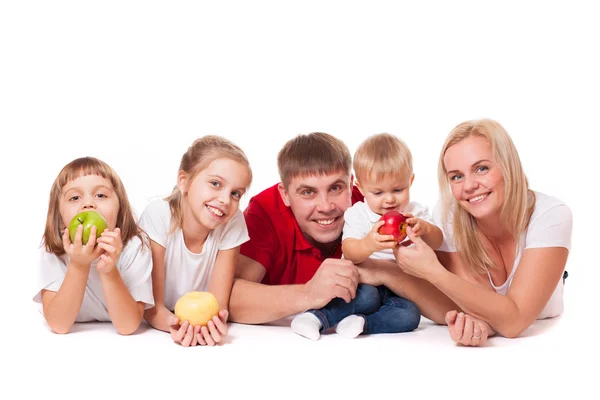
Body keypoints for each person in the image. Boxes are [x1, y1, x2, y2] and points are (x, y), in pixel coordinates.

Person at [372, 119, 573, 346]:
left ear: (509, 165)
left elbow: (514, 321)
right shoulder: (450, 215)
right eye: (456, 176)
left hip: (540, 313)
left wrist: (432, 271)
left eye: (481, 168)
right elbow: (459, 304)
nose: (468, 186)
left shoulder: (551, 215)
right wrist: (383, 271)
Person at [291, 133, 443, 340]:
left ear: (411, 181)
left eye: (398, 189)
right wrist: (369, 243)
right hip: (365, 283)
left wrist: (424, 229)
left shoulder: (416, 212)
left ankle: (362, 324)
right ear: (360, 188)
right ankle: (316, 318)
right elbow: (350, 251)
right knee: (367, 298)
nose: (389, 199)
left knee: (410, 314)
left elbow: (438, 241)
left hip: (402, 289)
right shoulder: (359, 213)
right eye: (378, 193)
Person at [228, 132, 364, 325]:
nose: (325, 207)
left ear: (351, 185)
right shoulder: (265, 212)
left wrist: (383, 272)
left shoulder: (368, 204)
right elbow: (228, 297)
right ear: (284, 194)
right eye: (308, 192)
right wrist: (309, 294)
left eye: (335, 188)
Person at [139, 135, 252, 347]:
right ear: (184, 181)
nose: (225, 200)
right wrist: (174, 324)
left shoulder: (233, 221)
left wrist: (212, 325)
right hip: (165, 315)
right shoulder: (159, 215)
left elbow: (218, 303)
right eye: (215, 184)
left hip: (194, 316)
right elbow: (152, 307)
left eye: (236, 193)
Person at [34, 157, 154, 335]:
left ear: (120, 208)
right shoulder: (54, 249)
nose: (88, 204)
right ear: (59, 216)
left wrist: (109, 271)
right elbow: (58, 325)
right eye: (75, 197)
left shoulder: (134, 246)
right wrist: (78, 264)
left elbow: (128, 326)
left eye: (101, 195)